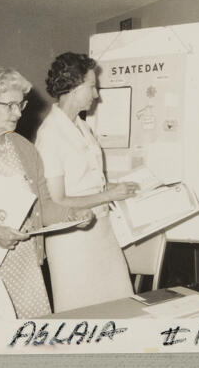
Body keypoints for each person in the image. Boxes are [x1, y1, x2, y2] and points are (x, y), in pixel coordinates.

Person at [0, 67, 93, 319]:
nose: (18, 113)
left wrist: (73, 213)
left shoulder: (25, 150)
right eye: (9, 105)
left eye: (21, 104)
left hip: (25, 266)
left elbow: (44, 206)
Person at [35, 52, 139, 312]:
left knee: (119, 306)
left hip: (102, 230)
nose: (96, 95)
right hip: (73, 238)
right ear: (72, 87)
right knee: (82, 313)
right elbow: (57, 200)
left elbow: (90, 181)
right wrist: (109, 195)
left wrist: (118, 190)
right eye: (92, 86)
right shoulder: (50, 134)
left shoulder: (82, 127)